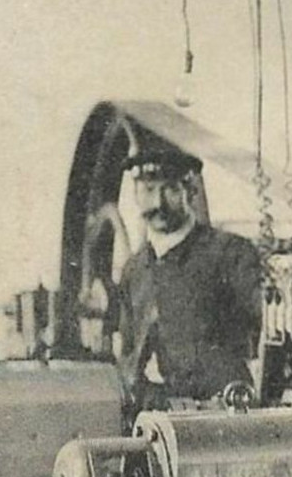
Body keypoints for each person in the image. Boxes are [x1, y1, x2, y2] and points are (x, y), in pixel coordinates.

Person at [112, 148, 262, 407]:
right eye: (148, 190)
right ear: (135, 194)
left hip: (221, 412)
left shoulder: (230, 253)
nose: (157, 203)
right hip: (155, 415)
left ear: (190, 191)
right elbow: (127, 352)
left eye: (170, 189)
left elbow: (264, 332)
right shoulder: (134, 270)